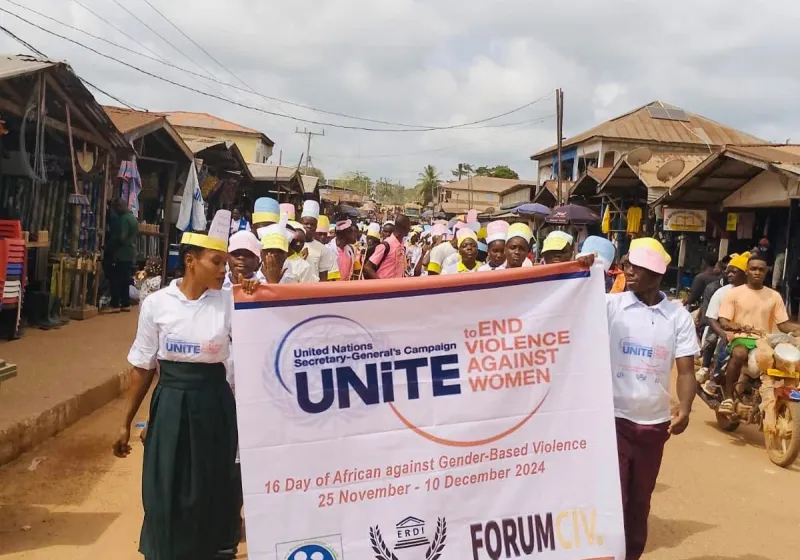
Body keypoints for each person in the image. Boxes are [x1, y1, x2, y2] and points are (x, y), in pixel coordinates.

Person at [114, 210, 241, 560]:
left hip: (214, 404)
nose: (223, 270)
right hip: (171, 404)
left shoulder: (230, 302)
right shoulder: (157, 305)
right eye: (217, 262)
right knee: (165, 484)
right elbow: (143, 366)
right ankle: (165, 550)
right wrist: (125, 422)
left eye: (226, 263)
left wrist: (260, 292)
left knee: (210, 484)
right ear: (190, 261)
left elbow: (266, 325)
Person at [606, 236, 699, 560]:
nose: (627, 270)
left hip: (652, 428)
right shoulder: (610, 306)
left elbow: (686, 371)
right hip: (611, 420)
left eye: (636, 266)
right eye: (627, 264)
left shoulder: (677, 318)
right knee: (612, 499)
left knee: (640, 501)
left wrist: (685, 408)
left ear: (656, 273)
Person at [716, 253, 800, 413]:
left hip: (764, 342)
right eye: (753, 269)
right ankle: (727, 398)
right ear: (747, 271)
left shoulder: (774, 296)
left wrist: (796, 329)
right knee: (739, 354)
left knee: (786, 363)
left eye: (761, 269)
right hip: (740, 339)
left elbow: (783, 325)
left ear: (766, 271)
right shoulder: (734, 293)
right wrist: (738, 326)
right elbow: (724, 321)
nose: (757, 272)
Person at [699, 253, 749, 393]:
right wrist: (723, 334)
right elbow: (711, 318)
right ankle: (715, 379)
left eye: (734, 271)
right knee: (722, 351)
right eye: (728, 271)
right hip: (728, 333)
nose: (729, 274)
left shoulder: (761, 293)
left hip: (752, 336)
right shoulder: (723, 293)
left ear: (745, 273)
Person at [106, 198, 139, 313]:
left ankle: (115, 304)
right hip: (130, 253)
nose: (116, 211)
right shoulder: (133, 218)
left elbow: (122, 237)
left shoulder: (124, 219)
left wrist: (110, 245)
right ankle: (125, 303)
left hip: (121, 253)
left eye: (116, 209)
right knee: (126, 279)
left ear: (120, 206)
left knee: (115, 278)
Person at [299, 201, 338, 282]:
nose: (309, 226)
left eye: (312, 224)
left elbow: (323, 278)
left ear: (316, 226)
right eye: (306, 223)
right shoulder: (293, 244)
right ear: (301, 223)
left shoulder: (323, 250)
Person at [363, 214, 409, 279]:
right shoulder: (386, 245)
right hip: (384, 287)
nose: (409, 229)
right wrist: (382, 284)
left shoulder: (402, 246)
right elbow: (367, 267)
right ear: (405, 227)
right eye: (409, 227)